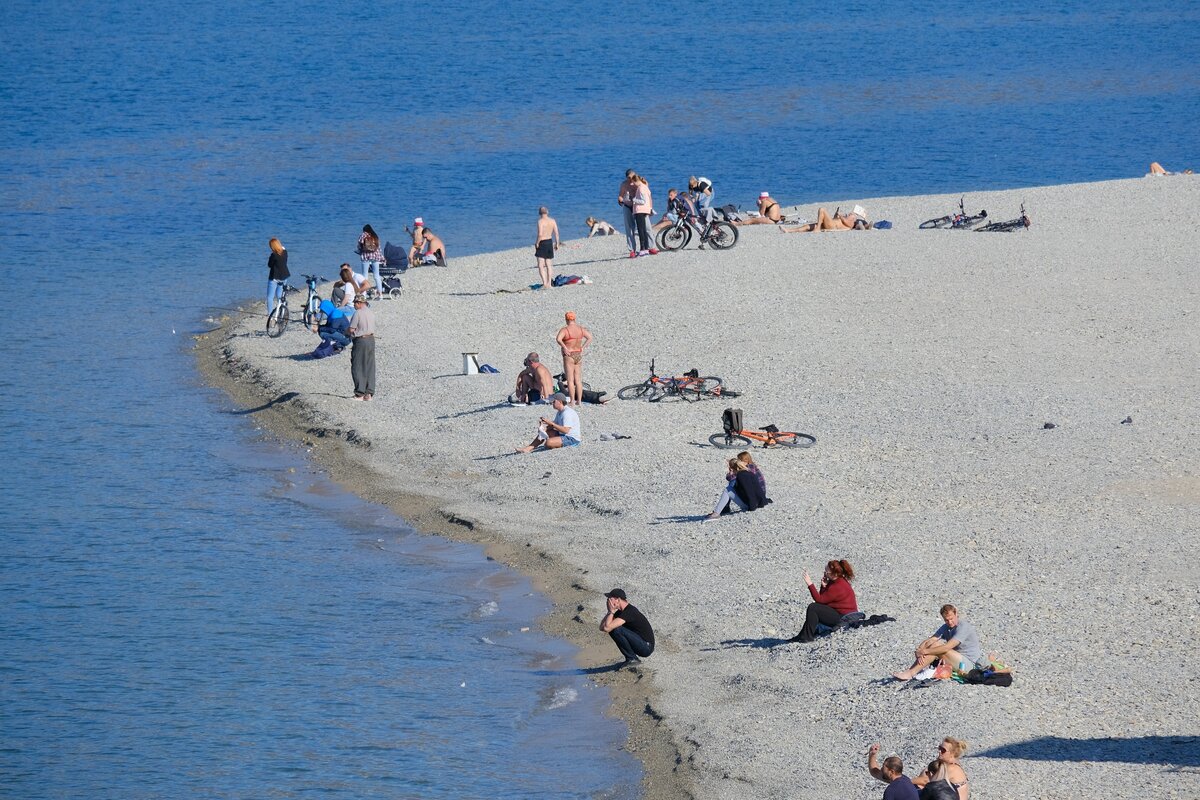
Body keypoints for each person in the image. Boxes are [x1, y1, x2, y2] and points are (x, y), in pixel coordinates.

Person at [892, 605, 985, 681]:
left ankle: (911, 673)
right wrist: (919, 650)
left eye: (951, 618)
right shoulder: (946, 626)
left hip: (969, 665)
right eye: (946, 620)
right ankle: (910, 671)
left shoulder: (963, 627)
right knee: (932, 644)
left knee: (937, 646)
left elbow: (947, 647)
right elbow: (931, 639)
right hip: (956, 658)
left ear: (956, 614)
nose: (950, 622)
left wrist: (924, 652)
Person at [789, 560, 858, 643]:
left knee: (813, 608)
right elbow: (823, 600)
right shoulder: (837, 581)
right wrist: (823, 586)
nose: (825, 574)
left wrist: (810, 584)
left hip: (843, 617)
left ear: (835, 573)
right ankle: (803, 635)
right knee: (815, 608)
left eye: (827, 572)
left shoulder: (838, 586)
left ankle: (807, 637)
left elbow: (819, 600)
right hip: (841, 613)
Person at [599, 588, 654, 667]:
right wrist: (609, 613)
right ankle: (631, 658)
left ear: (618, 600)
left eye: (610, 599)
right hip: (639, 643)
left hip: (646, 647)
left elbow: (607, 628)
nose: (608, 601)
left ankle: (632, 658)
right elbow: (602, 628)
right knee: (613, 628)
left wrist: (611, 612)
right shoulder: (620, 612)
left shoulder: (630, 611)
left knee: (616, 629)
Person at [515, 392, 580, 452]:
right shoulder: (560, 412)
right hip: (563, 435)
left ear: (560, 402)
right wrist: (543, 429)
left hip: (571, 438)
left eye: (554, 401)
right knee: (543, 433)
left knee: (548, 443)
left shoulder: (567, 413)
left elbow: (566, 430)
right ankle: (528, 448)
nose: (552, 403)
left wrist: (551, 424)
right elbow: (554, 425)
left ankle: (556, 444)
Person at [555, 311, 592, 406]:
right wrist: (583, 347)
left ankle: (572, 400)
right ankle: (579, 401)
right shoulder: (581, 329)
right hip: (578, 355)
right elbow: (590, 337)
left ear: (566, 319)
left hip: (569, 355)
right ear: (574, 319)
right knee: (578, 380)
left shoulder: (565, 330)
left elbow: (558, 339)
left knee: (570, 380)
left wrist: (564, 347)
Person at [347, 294, 376, 401]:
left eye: (355, 303)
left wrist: (346, 333)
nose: (354, 305)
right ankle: (369, 393)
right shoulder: (371, 312)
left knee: (357, 366)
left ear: (359, 303)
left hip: (361, 341)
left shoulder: (357, 313)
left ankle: (359, 393)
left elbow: (351, 329)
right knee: (370, 366)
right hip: (371, 340)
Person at [782, 205, 870, 232]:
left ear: (854, 218)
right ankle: (789, 230)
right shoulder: (848, 218)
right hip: (831, 223)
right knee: (807, 226)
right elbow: (836, 219)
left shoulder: (852, 220)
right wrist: (836, 215)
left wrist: (841, 216)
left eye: (851, 214)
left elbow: (847, 224)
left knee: (822, 209)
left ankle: (818, 228)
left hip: (832, 225)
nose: (850, 213)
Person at [629, 173, 657, 257]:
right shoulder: (645, 187)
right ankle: (646, 249)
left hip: (640, 211)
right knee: (644, 230)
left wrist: (633, 199)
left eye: (633, 183)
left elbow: (643, 201)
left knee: (641, 230)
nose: (633, 184)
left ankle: (643, 249)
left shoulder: (641, 188)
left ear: (636, 181)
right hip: (645, 210)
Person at [534, 206, 560, 288]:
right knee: (549, 264)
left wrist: (537, 243)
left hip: (542, 242)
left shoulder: (540, 221)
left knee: (541, 264)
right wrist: (557, 243)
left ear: (539, 213)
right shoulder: (552, 221)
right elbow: (556, 233)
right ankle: (549, 283)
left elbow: (540, 234)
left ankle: (545, 283)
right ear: (547, 212)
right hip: (549, 242)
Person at [357, 224, 384, 296]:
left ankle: (364, 294)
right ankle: (380, 294)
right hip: (375, 257)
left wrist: (360, 252)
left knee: (365, 276)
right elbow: (379, 249)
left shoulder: (363, 235)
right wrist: (382, 258)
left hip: (365, 257)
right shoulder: (375, 236)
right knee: (376, 276)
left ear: (364, 230)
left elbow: (359, 246)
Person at [617, 169, 639, 256]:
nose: (631, 179)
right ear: (626, 177)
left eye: (633, 177)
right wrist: (620, 200)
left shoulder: (638, 183)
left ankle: (646, 248)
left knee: (641, 228)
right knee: (629, 229)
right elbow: (620, 195)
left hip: (638, 207)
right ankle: (632, 250)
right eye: (629, 177)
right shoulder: (624, 184)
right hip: (627, 206)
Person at [266, 237, 289, 316]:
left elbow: (269, 265)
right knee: (279, 295)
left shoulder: (273, 255)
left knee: (270, 297)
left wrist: (271, 256)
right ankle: (282, 310)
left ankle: (270, 315)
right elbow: (285, 260)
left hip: (274, 277)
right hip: (284, 276)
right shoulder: (285, 252)